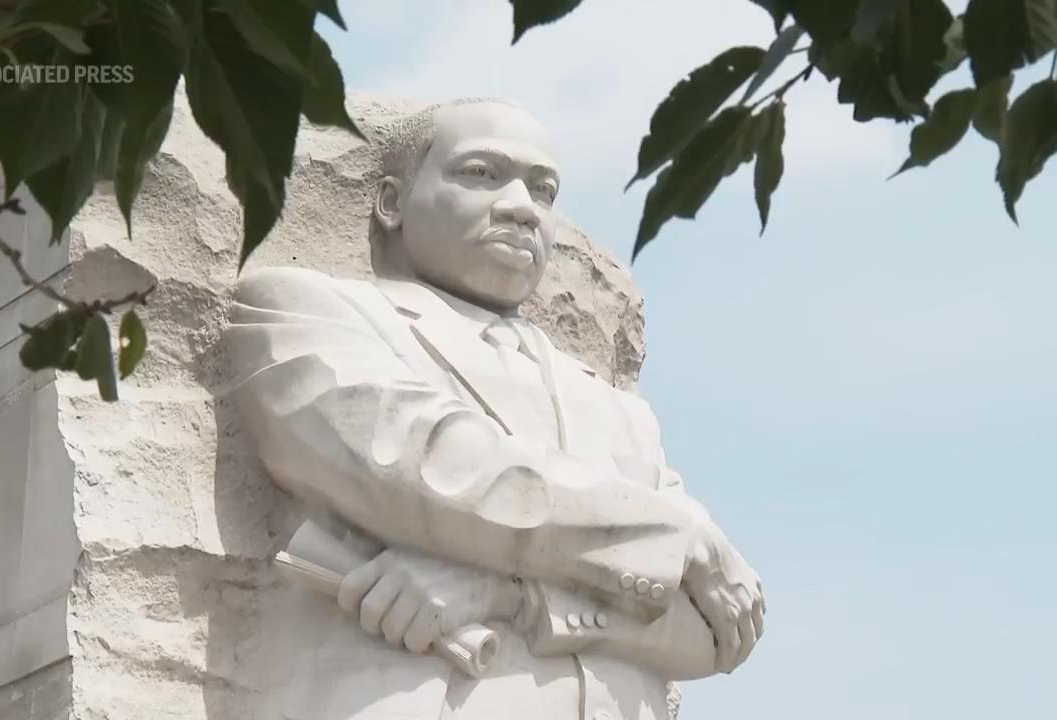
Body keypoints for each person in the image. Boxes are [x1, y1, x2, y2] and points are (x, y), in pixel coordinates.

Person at [223, 98, 765, 720]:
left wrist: (508, 596)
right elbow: (434, 466)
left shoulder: (618, 413)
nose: (521, 207)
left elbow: (714, 629)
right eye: (482, 173)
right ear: (392, 203)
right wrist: (680, 533)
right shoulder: (301, 312)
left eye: (544, 190)